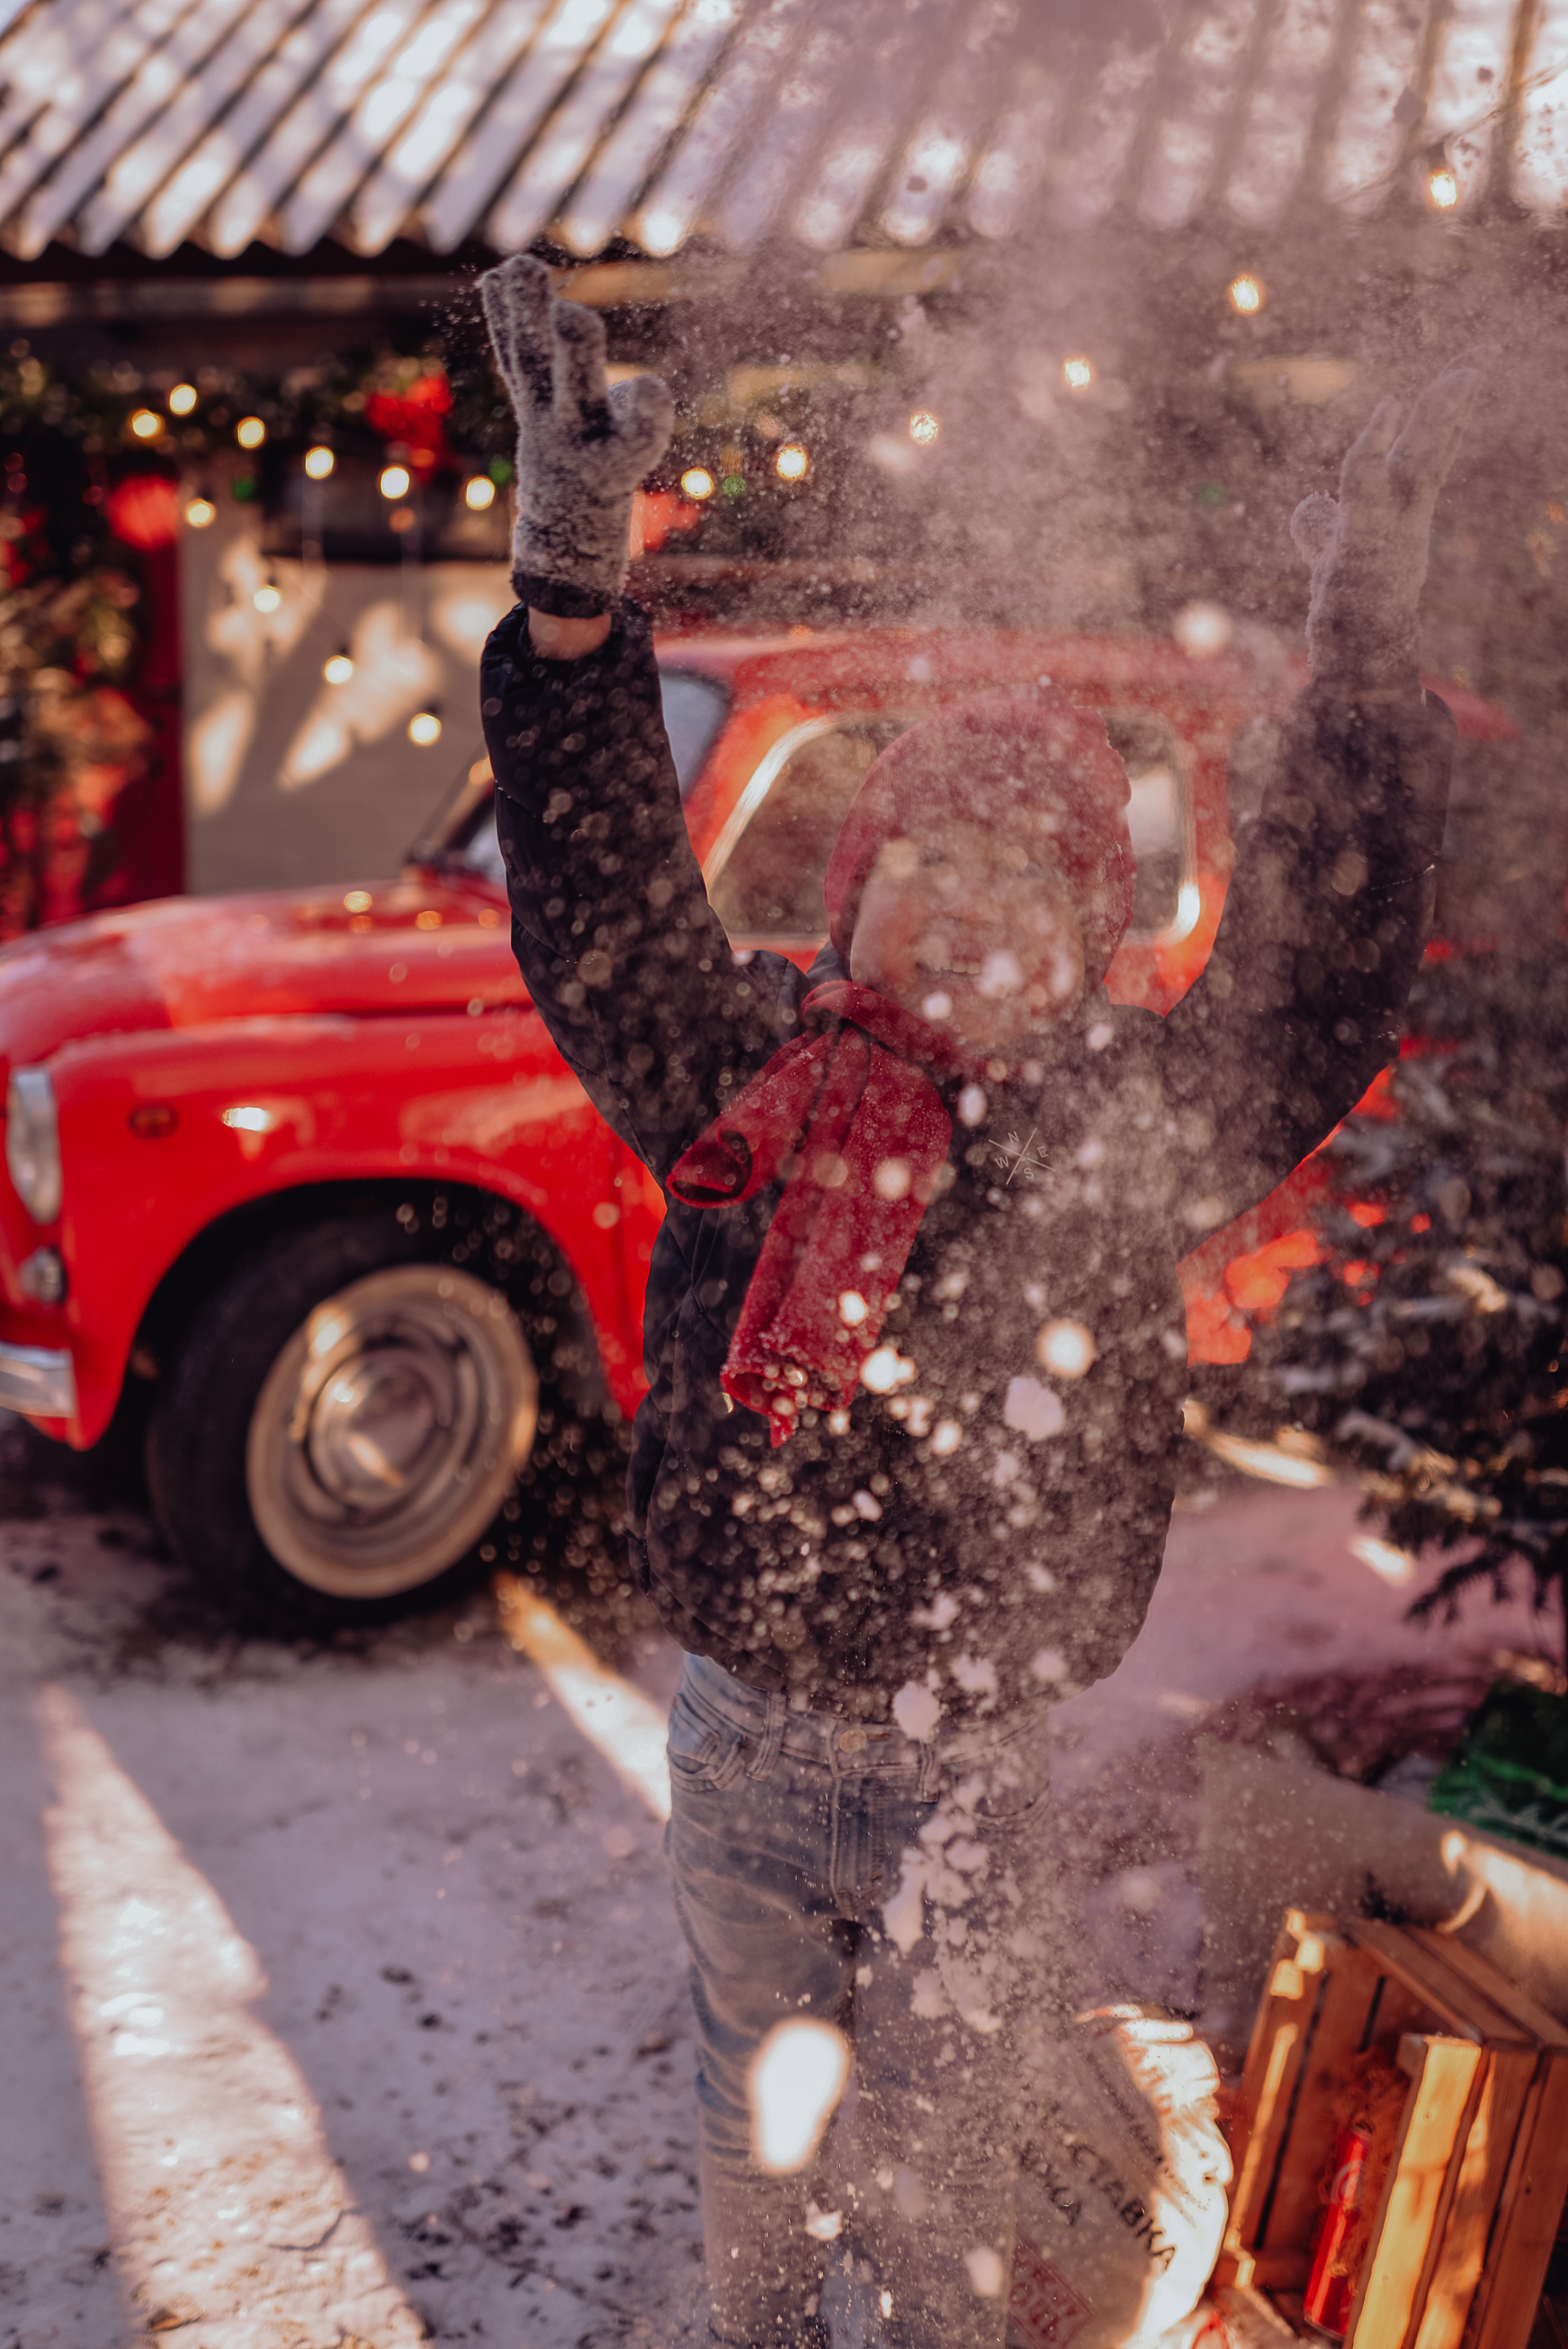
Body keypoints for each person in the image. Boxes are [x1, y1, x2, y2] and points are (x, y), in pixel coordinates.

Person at [476, 253, 1482, 2349]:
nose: (978, 914)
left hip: (968, 1755)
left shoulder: (1117, 1137)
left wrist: (1361, 668)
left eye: (1034, 888)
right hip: (750, 1727)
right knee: (755, 2103)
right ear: (862, 894)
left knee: (944, 2133)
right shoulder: (748, 1081)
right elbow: (596, 909)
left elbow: (1308, 989)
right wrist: (577, 615)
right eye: (938, 870)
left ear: (1090, 934)